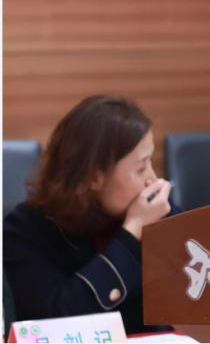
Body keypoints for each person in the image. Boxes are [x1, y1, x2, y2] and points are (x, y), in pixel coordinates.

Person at [3, 95, 172, 333]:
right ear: (94, 177)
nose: (152, 180)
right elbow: (59, 320)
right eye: (141, 168)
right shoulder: (24, 229)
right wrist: (132, 233)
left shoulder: (158, 212)